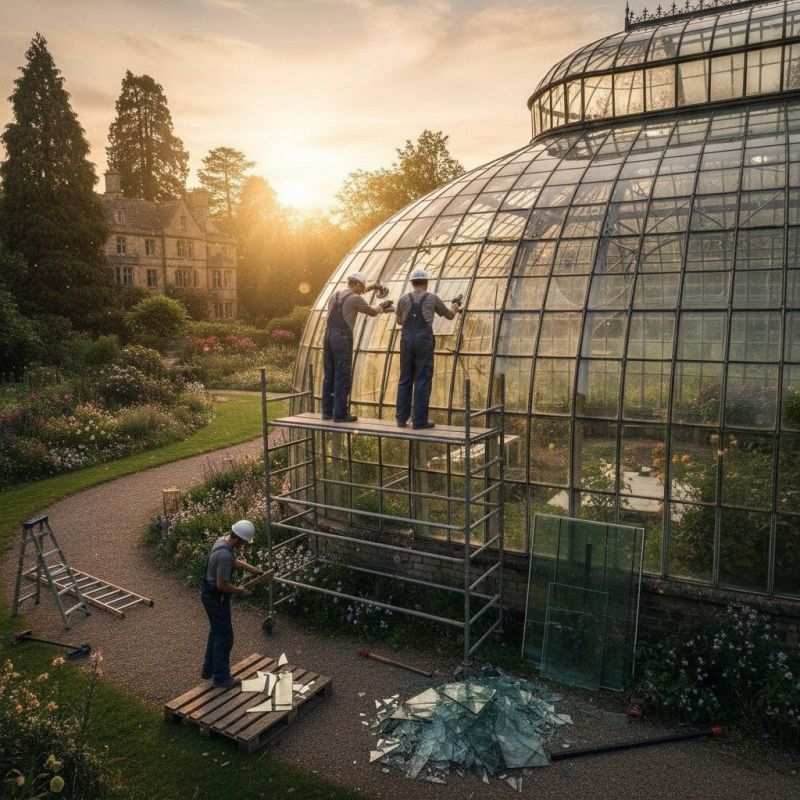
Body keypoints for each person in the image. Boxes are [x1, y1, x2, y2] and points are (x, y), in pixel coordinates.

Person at [395, 267, 461, 429]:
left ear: (412, 283)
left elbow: (399, 321)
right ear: (426, 282)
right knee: (422, 379)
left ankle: (401, 420)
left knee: (405, 379)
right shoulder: (433, 298)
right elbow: (449, 315)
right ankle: (419, 421)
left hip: (406, 340)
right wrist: (455, 305)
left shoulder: (403, 299)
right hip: (423, 340)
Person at [322, 271, 392, 423]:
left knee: (329, 375)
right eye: (362, 287)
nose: (363, 290)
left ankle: (327, 411)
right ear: (358, 284)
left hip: (327, 337)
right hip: (341, 338)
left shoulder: (335, 295)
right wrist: (382, 306)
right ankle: (340, 414)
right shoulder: (355, 298)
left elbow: (353, 295)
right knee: (342, 375)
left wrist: (372, 287)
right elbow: (372, 312)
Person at [201, 519, 262, 688]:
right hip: (216, 597)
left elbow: (233, 563)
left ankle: (209, 669)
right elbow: (222, 585)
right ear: (238, 539)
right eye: (243, 542)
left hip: (208, 593)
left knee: (216, 632)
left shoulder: (222, 541)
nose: (243, 545)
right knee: (224, 637)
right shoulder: (226, 555)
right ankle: (221, 678)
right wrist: (240, 591)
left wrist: (254, 570)